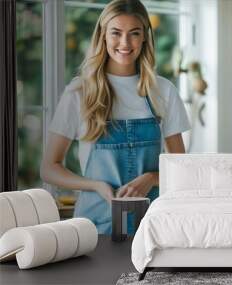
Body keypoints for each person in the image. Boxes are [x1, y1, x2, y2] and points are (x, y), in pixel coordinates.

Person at [40, 0, 190, 234]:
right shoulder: (79, 93)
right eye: (116, 33)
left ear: (144, 38)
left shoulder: (164, 91)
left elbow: (183, 169)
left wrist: (151, 178)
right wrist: (96, 185)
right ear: (103, 35)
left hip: (151, 227)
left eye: (134, 33)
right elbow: (49, 168)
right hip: (94, 229)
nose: (125, 43)